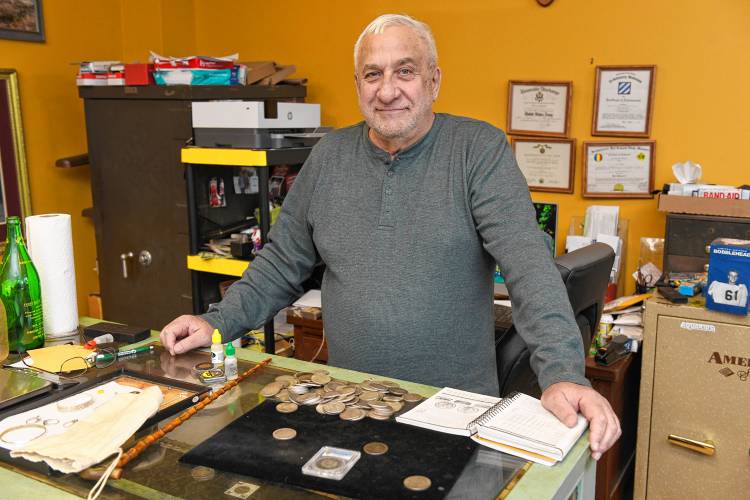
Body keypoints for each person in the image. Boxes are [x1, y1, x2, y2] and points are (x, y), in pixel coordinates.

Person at [161, 14, 620, 459]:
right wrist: (217, 323)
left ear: (434, 81)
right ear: (358, 84)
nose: (387, 90)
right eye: (372, 74)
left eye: (405, 71)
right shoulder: (328, 158)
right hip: (349, 404)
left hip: (455, 415)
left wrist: (564, 373)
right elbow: (281, 264)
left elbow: (527, 266)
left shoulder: (478, 151)